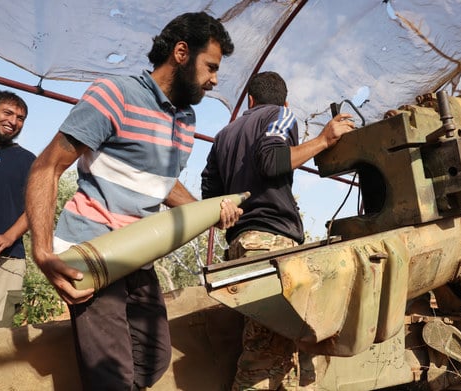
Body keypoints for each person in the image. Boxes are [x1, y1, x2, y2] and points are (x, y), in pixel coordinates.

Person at [25, 11, 242, 390]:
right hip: (93, 250)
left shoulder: (186, 120)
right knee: (112, 376)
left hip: (138, 254)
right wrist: (42, 250)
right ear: (180, 53)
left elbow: (161, 183)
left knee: (154, 360)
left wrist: (207, 213)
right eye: (210, 66)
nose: (214, 79)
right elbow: (46, 167)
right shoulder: (116, 94)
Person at [200, 71, 356, 390]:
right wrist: (324, 140)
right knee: (263, 358)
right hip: (271, 246)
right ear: (284, 101)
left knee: (283, 352)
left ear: (250, 100)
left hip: (240, 247)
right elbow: (271, 161)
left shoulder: (224, 136)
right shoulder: (281, 114)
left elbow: (210, 198)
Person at [0, 90, 34, 329]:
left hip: (6, 263)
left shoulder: (28, 161)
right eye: (8, 113)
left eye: (20, 117)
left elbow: (38, 208)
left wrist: (9, 236)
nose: (14, 121)